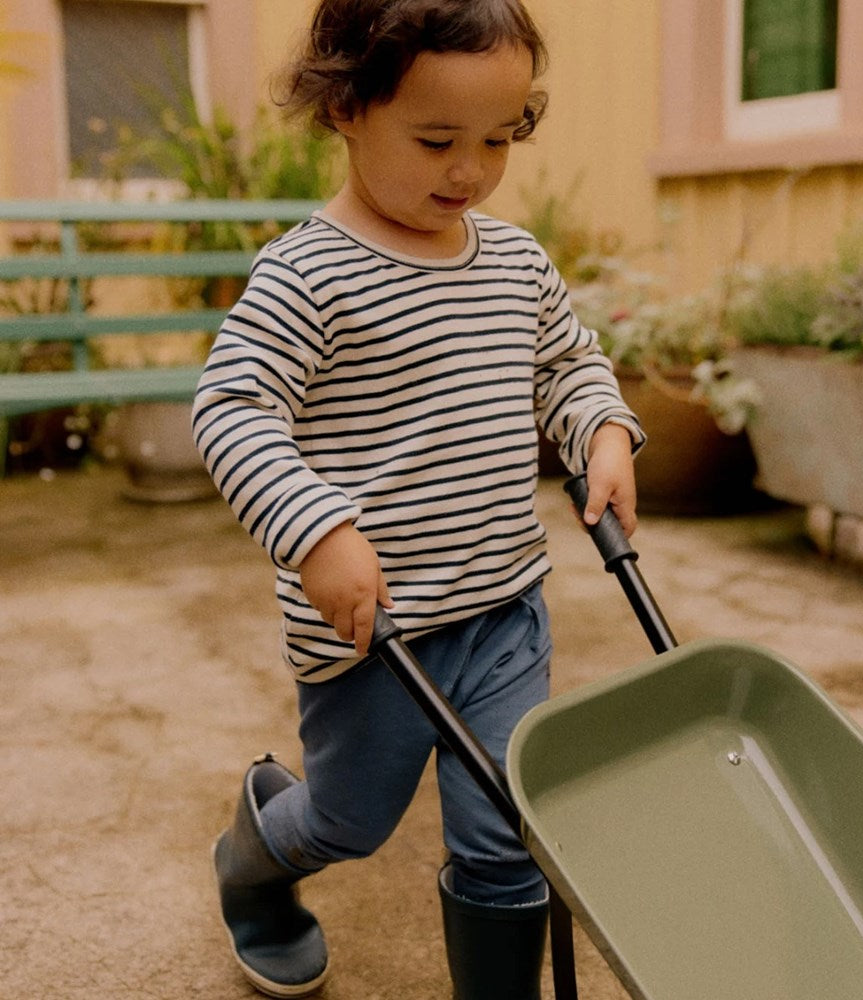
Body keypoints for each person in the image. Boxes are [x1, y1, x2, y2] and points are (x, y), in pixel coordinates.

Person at [193, 1, 644, 996]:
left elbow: (566, 366)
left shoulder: (517, 264)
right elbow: (231, 407)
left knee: (507, 833)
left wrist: (601, 431)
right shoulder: (308, 274)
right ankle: (257, 849)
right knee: (348, 821)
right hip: (374, 633)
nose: (470, 170)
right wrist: (316, 531)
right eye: (437, 139)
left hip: (502, 612)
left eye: (500, 138)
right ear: (347, 107)